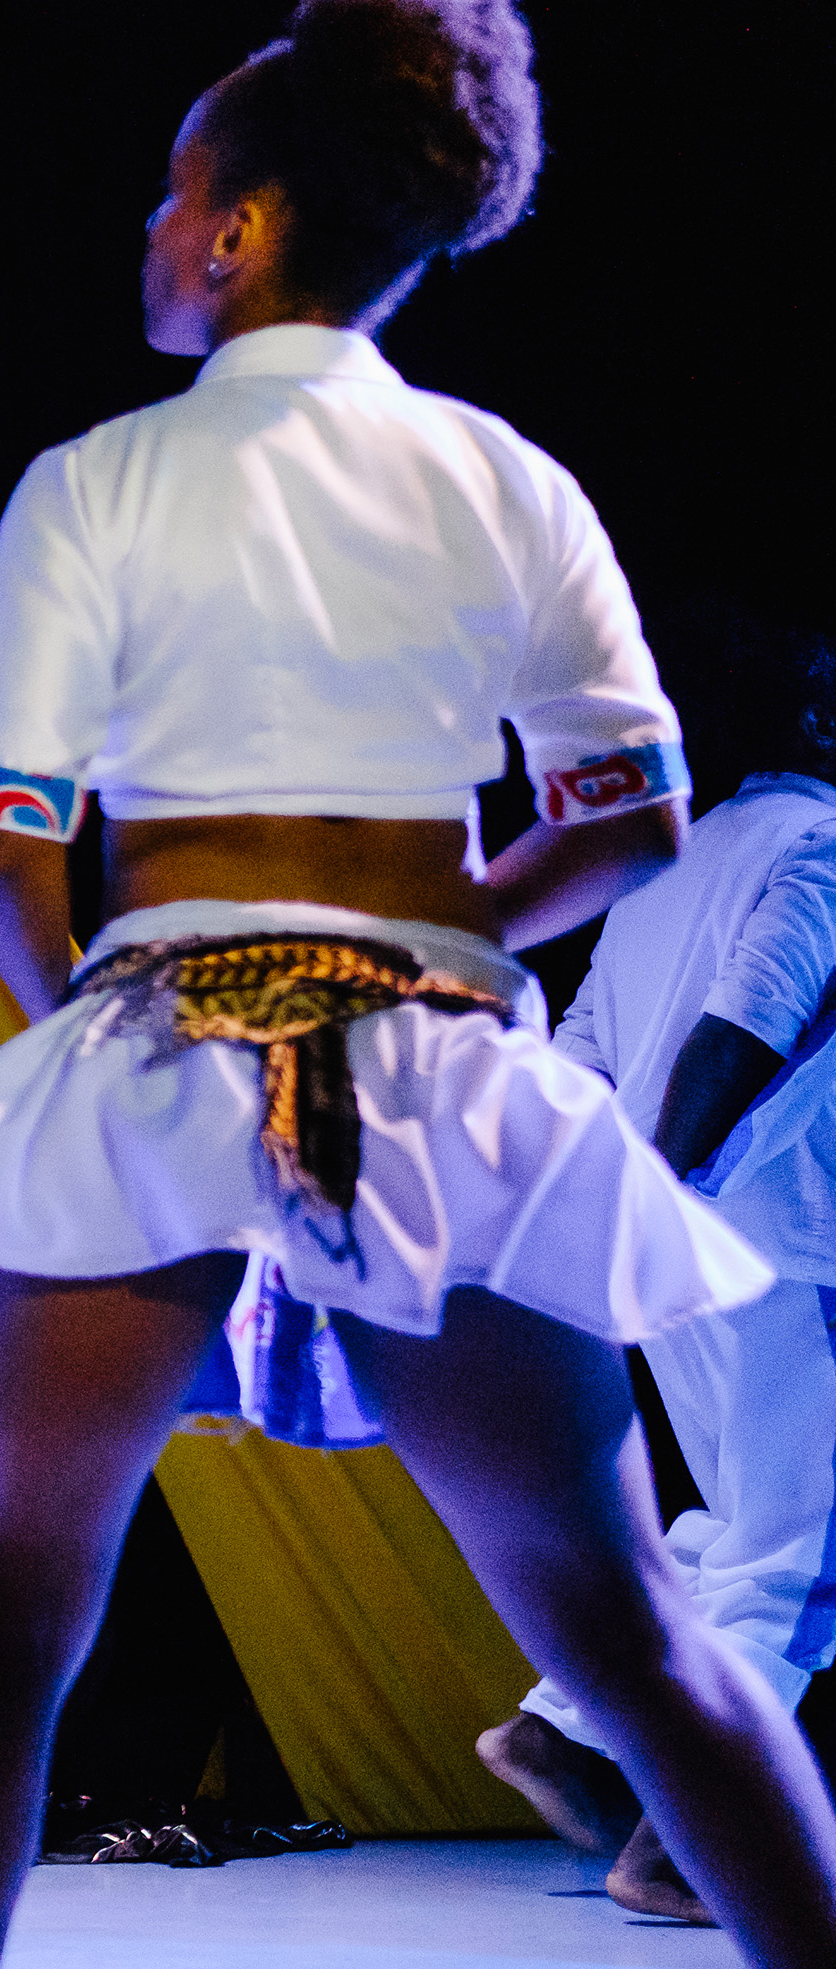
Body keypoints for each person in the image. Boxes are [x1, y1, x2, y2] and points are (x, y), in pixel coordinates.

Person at [0, 2, 836, 1961]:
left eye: (170, 188)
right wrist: (428, 939)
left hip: (162, 1045)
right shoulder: (504, 482)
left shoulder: (96, 485)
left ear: (235, 230)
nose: (145, 220)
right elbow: (630, 811)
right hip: (440, 1077)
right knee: (630, 1634)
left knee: (0, 1626)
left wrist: (90, 1070)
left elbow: (6, 841)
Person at [479, 623, 836, 1925]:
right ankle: (679, 1848)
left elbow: (579, 1047)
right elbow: (749, 1017)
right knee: (800, 1559)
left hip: (675, 1238)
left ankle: (559, 1721)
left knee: (742, 1525)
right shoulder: (821, 839)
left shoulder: (671, 861)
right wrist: (670, 1184)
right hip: (786, 1246)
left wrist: (594, 1210)